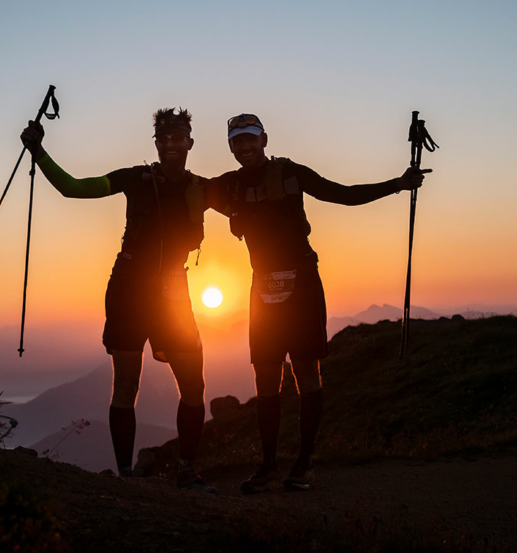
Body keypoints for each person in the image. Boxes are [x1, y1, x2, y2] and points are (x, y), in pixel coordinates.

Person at [208, 113, 430, 493]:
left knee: (306, 373)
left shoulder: (292, 173)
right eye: (237, 142)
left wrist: (397, 184)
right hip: (262, 285)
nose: (245, 147)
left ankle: (304, 463)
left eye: (251, 139)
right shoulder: (225, 187)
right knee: (265, 377)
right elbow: (182, 195)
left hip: (301, 282)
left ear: (264, 139)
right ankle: (269, 466)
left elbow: (340, 193)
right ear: (230, 147)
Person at [21, 108, 217, 493]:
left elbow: (250, 202)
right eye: (165, 138)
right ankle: (127, 476)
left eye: (179, 137)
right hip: (129, 289)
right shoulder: (135, 178)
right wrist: (39, 152)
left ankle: (186, 470)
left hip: (171, 292)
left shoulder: (203, 186)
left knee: (193, 385)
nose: (172, 144)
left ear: (190, 142)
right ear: (157, 143)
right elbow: (73, 188)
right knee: (127, 383)